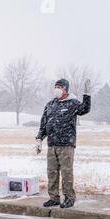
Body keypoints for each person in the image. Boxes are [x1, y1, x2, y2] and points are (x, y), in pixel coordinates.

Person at [35, 78, 91, 209]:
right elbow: (43, 124)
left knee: (66, 173)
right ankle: (54, 198)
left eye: (59, 87)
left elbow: (85, 109)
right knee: (52, 172)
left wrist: (87, 95)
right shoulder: (50, 104)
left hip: (66, 145)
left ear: (66, 89)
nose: (57, 89)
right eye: (55, 87)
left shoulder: (72, 103)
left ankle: (69, 198)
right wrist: (39, 139)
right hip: (52, 145)